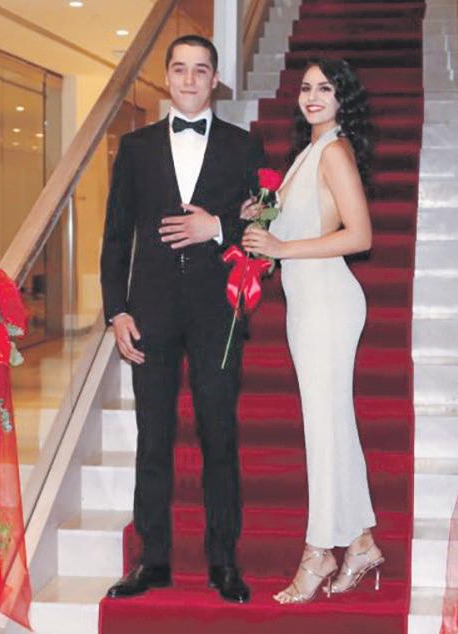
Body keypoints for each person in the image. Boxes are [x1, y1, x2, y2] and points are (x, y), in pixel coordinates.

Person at [100, 34, 265, 603]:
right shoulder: (135, 147)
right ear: (166, 76)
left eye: (200, 70)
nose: (190, 79)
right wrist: (116, 311)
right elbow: (116, 235)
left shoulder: (244, 145)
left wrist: (216, 227)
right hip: (150, 310)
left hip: (218, 311)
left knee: (219, 434)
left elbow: (264, 223)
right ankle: (153, 560)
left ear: (215, 79)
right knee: (153, 436)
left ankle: (223, 561)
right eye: (179, 69)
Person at [241, 58, 384, 604]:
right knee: (331, 426)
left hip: (328, 301)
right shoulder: (307, 152)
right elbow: (302, 224)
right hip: (307, 302)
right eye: (306, 88)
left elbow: (360, 235)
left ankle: (319, 550)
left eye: (325, 88)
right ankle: (361, 543)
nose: (313, 96)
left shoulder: (335, 150)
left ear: (343, 98)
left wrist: (282, 245)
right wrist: (263, 219)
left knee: (324, 430)